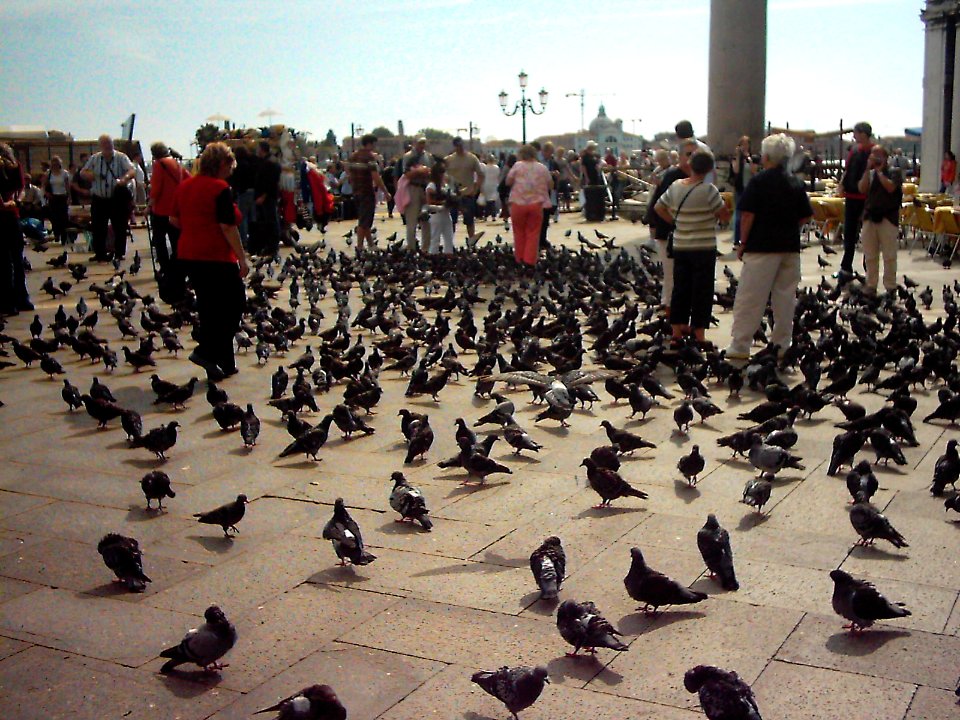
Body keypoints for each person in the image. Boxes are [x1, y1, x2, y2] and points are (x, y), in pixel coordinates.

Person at [724, 134, 813, 361]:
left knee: (751, 298)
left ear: (766, 156)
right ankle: (782, 343)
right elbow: (805, 216)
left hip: (761, 246)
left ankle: (741, 344)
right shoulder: (795, 182)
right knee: (785, 298)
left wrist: (742, 243)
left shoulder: (759, 181)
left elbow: (747, 215)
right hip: (789, 246)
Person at [171, 142, 248, 381]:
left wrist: (195, 228)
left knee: (209, 307)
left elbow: (173, 220)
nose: (231, 171)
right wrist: (242, 258)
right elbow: (228, 226)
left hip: (190, 255)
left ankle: (225, 362)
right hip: (216, 256)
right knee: (234, 305)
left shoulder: (184, 186)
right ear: (222, 164)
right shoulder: (219, 188)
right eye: (230, 166)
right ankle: (206, 351)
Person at [655, 149, 730, 346]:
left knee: (681, 288)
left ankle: (677, 332)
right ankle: (699, 334)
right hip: (703, 248)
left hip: (681, 246)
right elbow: (724, 216)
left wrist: (675, 222)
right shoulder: (709, 190)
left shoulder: (676, 186)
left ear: (690, 165)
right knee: (702, 291)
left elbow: (658, 207)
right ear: (709, 170)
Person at [644, 140, 695, 312]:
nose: (692, 158)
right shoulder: (674, 175)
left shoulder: (694, 176)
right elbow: (660, 206)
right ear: (680, 157)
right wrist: (677, 223)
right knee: (672, 275)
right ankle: (670, 312)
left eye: (695, 154)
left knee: (679, 276)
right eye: (688, 154)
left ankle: (671, 307)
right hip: (668, 234)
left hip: (684, 236)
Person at [81, 134, 136, 261]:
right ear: (100, 146)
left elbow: (131, 171)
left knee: (120, 226)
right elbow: (83, 172)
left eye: (110, 144)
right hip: (99, 198)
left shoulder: (121, 157)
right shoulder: (95, 158)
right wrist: (92, 175)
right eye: (105, 144)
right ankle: (100, 253)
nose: (108, 146)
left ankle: (119, 252)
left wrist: (124, 179)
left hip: (116, 198)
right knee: (98, 227)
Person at [858, 145, 903, 292]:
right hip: (870, 217)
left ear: (885, 157)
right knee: (870, 255)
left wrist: (879, 171)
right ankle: (871, 284)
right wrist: (866, 170)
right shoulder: (869, 174)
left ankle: (890, 286)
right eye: (873, 154)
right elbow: (862, 188)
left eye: (878, 155)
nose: (875, 157)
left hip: (887, 218)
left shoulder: (894, 172)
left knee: (889, 256)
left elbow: (890, 188)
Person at [506, 144, 552, 268]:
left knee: (519, 232)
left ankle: (519, 259)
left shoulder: (517, 166)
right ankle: (529, 261)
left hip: (518, 203)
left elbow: (508, 181)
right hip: (536, 204)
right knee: (533, 233)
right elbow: (550, 184)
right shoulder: (542, 168)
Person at [837, 121, 874, 273]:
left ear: (863, 134)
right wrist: (841, 185)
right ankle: (846, 266)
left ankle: (868, 266)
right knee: (849, 232)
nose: (854, 136)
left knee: (868, 234)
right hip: (851, 196)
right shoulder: (853, 150)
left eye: (856, 132)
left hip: (867, 198)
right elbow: (847, 170)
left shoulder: (875, 151)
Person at [0, 143, 32, 314]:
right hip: (13, 216)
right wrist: (16, 201)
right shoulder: (16, 166)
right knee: (17, 259)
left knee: (5, 261)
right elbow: (21, 189)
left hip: (4, 214)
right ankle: (22, 298)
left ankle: (8, 301)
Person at [149, 141, 189, 274]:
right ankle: (180, 266)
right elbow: (189, 179)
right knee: (176, 240)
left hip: (161, 209)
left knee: (159, 241)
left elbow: (156, 189)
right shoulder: (176, 164)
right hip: (177, 209)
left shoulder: (159, 165)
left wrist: (149, 205)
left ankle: (166, 268)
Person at [347, 134, 390, 252]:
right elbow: (375, 176)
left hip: (356, 191)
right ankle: (360, 247)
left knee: (364, 219)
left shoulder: (353, 156)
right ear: (370, 144)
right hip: (366, 191)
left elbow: (349, 174)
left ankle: (371, 244)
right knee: (364, 221)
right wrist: (385, 192)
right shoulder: (369, 157)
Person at [444, 137, 484, 241]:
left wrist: (476, 189)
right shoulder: (448, 159)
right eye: (457, 145)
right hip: (453, 194)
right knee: (451, 220)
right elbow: (441, 174)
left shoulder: (472, 158)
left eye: (460, 145)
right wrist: (446, 186)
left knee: (469, 219)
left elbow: (481, 174)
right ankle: (449, 243)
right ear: (454, 146)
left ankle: (471, 240)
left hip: (468, 193)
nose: (459, 147)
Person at [401, 137, 434, 252]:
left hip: (425, 189)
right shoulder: (408, 156)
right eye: (420, 143)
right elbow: (406, 174)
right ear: (414, 143)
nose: (422, 145)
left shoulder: (428, 156)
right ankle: (411, 248)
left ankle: (426, 248)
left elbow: (432, 173)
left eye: (424, 143)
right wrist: (418, 171)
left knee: (426, 220)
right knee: (412, 220)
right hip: (413, 188)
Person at [251, 141, 280, 256]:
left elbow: (270, 182)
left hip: (267, 197)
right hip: (266, 197)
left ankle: (272, 247)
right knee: (268, 221)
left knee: (271, 222)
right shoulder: (268, 161)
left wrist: (263, 196)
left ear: (262, 149)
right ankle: (269, 245)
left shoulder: (270, 163)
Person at [230, 145, 258, 248]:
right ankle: (254, 240)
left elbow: (235, 180)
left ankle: (244, 240)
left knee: (242, 218)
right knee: (253, 217)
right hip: (253, 192)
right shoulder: (252, 164)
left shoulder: (239, 166)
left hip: (243, 193)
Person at [425, 160, 455, 255]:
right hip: (436, 214)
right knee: (435, 239)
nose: (443, 174)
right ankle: (433, 258)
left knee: (449, 239)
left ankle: (448, 257)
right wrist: (443, 202)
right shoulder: (432, 185)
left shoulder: (445, 185)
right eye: (441, 172)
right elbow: (429, 201)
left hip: (446, 214)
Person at [729, 136, 753, 246]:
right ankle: (736, 240)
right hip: (739, 188)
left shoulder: (752, 157)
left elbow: (754, 171)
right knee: (738, 215)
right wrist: (738, 156)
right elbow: (736, 171)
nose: (745, 146)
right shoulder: (735, 158)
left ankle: (747, 239)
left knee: (749, 214)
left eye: (747, 144)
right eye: (742, 144)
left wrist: (749, 159)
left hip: (750, 189)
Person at [43, 156, 71, 244]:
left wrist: (69, 197)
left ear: (60, 164)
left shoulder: (64, 173)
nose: (55, 165)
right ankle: (56, 233)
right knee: (54, 217)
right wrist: (46, 193)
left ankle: (64, 236)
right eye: (53, 163)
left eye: (57, 163)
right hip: (53, 197)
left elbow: (67, 186)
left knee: (63, 217)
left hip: (62, 196)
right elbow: (44, 184)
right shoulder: (49, 173)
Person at [539, 142, 560, 248]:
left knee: (546, 216)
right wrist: (550, 174)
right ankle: (538, 239)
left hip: (549, 191)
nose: (551, 155)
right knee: (540, 216)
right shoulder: (537, 162)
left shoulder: (552, 162)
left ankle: (543, 238)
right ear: (544, 151)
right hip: (539, 191)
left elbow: (557, 173)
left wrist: (556, 174)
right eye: (550, 152)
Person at [481, 154, 501, 221]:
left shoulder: (485, 167)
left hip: (486, 184)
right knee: (493, 200)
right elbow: (498, 176)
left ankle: (486, 215)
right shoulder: (496, 167)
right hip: (494, 184)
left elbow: (483, 176)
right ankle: (493, 216)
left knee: (487, 201)